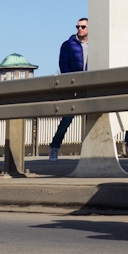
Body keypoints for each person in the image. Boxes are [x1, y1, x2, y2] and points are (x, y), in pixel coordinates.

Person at [48, 18, 87, 161]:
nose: (79, 29)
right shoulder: (68, 44)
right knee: (67, 118)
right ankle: (54, 147)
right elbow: (63, 64)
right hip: (73, 86)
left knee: (94, 117)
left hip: (91, 85)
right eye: (78, 26)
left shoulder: (96, 43)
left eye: (83, 26)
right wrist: (71, 80)